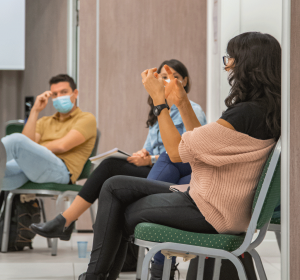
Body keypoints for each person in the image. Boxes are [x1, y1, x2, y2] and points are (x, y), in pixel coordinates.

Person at [75, 31, 281, 280]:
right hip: (220, 205)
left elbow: (175, 153)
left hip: (211, 211)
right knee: (114, 185)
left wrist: (158, 102)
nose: (228, 66)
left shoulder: (244, 115)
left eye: (231, 59)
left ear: (247, 65)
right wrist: (182, 102)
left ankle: (94, 277)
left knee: (116, 207)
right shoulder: (265, 111)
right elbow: (199, 145)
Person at [30, 59, 206, 241]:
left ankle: (66, 220)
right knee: (110, 169)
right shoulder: (160, 109)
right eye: (163, 77)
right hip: (153, 166)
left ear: (184, 81)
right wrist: (142, 154)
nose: (168, 81)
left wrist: (151, 159)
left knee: (109, 167)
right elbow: (148, 148)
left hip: (171, 170)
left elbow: (191, 151)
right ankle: (69, 222)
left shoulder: (192, 110)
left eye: (174, 77)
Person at [1, 74, 97, 192]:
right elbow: (27, 142)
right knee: (2, 178)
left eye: (64, 92)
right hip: (37, 167)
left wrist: (32, 149)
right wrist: (35, 110)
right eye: (55, 94)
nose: (59, 97)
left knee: (16, 140)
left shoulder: (86, 118)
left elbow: (62, 146)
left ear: (75, 93)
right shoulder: (45, 121)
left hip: (62, 171)